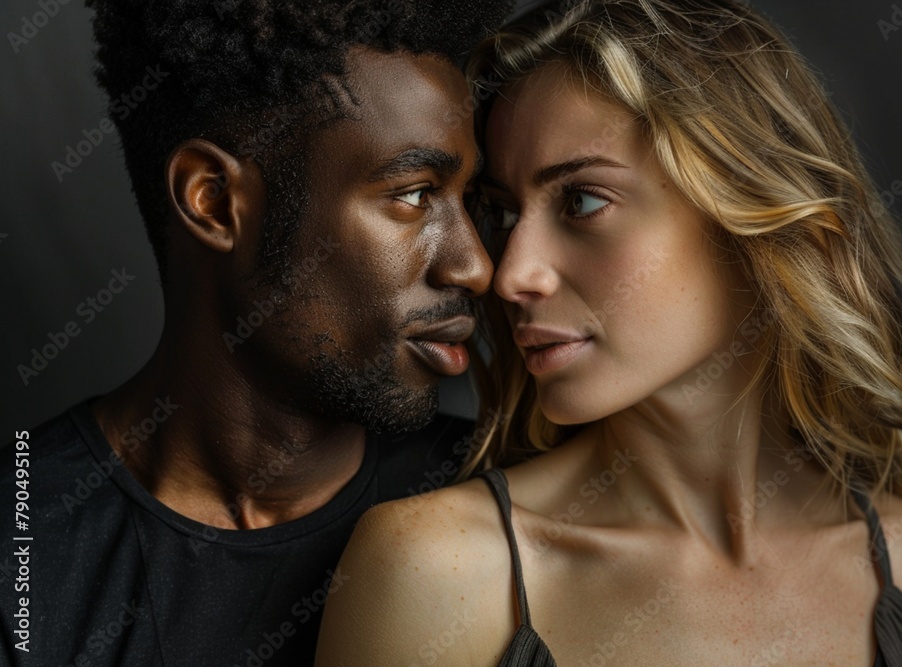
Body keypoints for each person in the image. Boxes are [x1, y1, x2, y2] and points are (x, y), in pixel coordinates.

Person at [316, 1, 902, 665]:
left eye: (582, 200)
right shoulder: (441, 575)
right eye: (503, 213)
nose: (509, 274)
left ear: (748, 215)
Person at [0, 0, 517, 664]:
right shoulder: (23, 536)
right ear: (214, 199)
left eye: (472, 203)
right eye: (415, 193)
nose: (475, 265)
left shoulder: (504, 499)